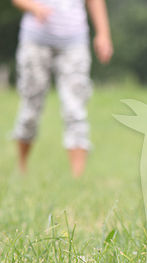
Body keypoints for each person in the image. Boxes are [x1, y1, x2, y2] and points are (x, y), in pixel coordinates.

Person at [11, 0, 113, 177]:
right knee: (30, 109)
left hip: (74, 42)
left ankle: (77, 177)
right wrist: (33, 7)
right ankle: (21, 167)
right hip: (35, 40)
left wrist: (103, 33)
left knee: (75, 108)